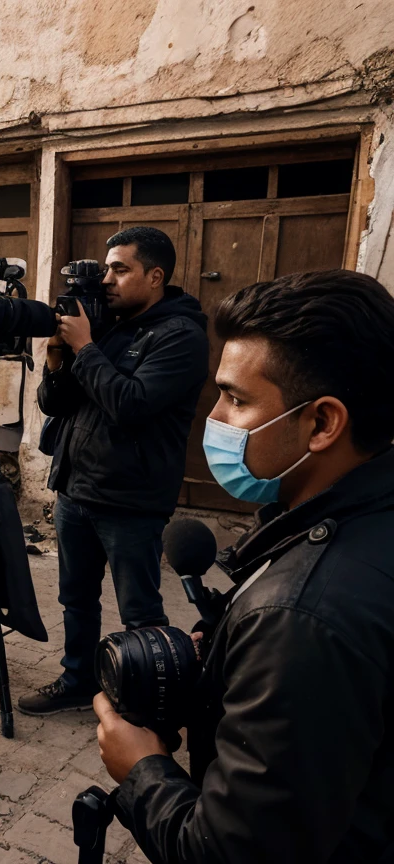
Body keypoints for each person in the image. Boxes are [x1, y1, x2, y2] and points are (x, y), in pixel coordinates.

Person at [95, 269, 394, 863]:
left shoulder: (301, 617)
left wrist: (143, 770)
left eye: (236, 399)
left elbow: (231, 852)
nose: (216, 422)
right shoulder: (363, 513)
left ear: (322, 423)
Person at [21, 226, 209, 715]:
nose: (107, 279)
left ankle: (149, 703)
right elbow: (53, 404)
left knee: (140, 612)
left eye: (120, 269)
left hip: (131, 500)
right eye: (106, 268)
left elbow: (131, 404)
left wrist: (85, 348)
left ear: (155, 275)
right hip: (76, 490)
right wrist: (59, 359)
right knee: (76, 600)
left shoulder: (181, 337)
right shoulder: (109, 326)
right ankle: (79, 681)